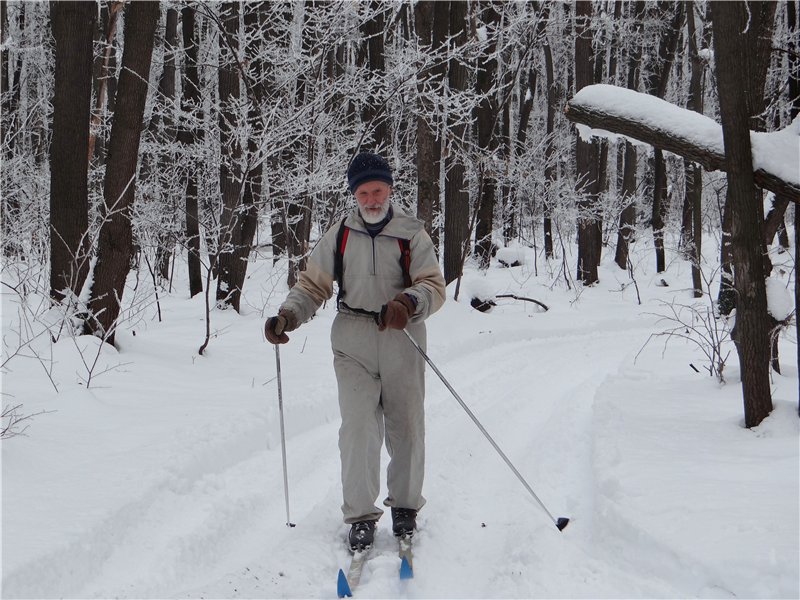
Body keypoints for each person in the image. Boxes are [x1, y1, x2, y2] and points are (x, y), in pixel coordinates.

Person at [265, 152, 446, 552]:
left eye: (377, 190)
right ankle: (361, 516)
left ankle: (405, 508)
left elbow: (433, 284)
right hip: (353, 337)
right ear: (354, 194)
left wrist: (409, 304)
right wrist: (288, 315)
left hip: (402, 335)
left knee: (407, 427)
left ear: (389, 189)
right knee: (358, 428)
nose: (371, 198)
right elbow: (314, 285)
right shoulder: (340, 234)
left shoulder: (411, 233)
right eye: (363, 192)